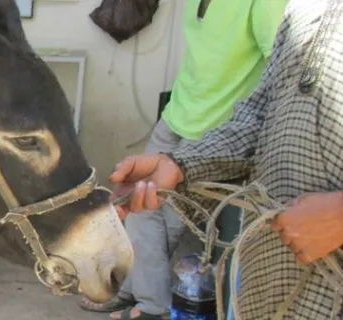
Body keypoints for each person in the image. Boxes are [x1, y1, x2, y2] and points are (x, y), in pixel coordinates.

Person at [109, 0, 343, 319]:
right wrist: (180, 164)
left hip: (329, 287)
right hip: (268, 284)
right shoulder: (304, 9)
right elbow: (261, 112)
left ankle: (152, 305)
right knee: (143, 212)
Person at [79, 1, 288, 319]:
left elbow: (284, 67)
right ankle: (140, 293)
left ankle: (149, 304)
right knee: (140, 206)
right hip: (177, 115)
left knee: (170, 218)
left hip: (215, 133)